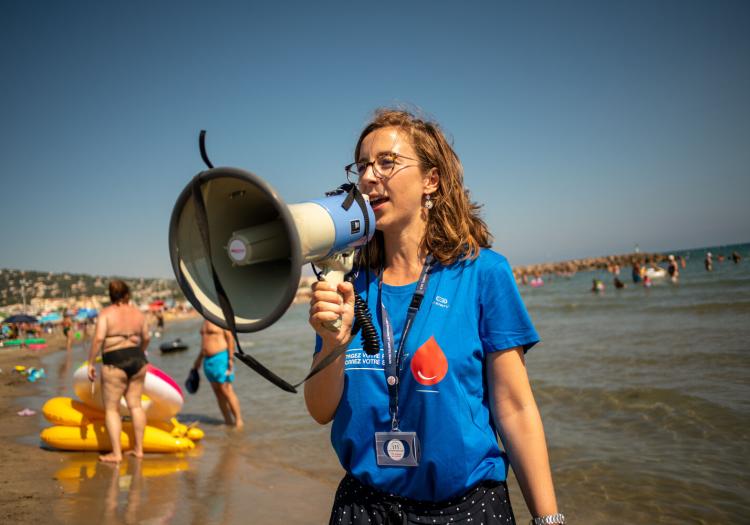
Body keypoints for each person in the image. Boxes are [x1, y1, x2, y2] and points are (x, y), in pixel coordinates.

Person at [305, 109, 563, 524]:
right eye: (363, 166)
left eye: (387, 162)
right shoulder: (348, 286)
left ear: (431, 180)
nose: (369, 177)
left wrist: (547, 519)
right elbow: (320, 410)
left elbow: (513, 407)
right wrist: (333, 342)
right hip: (363, 508)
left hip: (465, 510)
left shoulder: (483, 273)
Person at [87, 280, 150, 463]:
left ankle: (116, 454)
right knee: (135, 405)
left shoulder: (106, 314)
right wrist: (140, 351)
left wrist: (91, 362)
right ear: (127, 294)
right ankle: (138, 449)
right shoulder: (138, 314)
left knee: (112, 409)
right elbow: (146, 337)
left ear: (110, 295)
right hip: (138, 358)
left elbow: (99, 339)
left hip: (114, 360)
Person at [192, 320, 243, 429]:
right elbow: (205, 343)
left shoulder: (219, 318)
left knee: (226, 390)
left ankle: (239, 422)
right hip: (207, 360)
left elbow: (230, 338)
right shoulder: (204, 321)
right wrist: (198, 361)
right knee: (217, 392)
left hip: (221, 358)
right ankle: (228, 422)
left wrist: (230, 358)